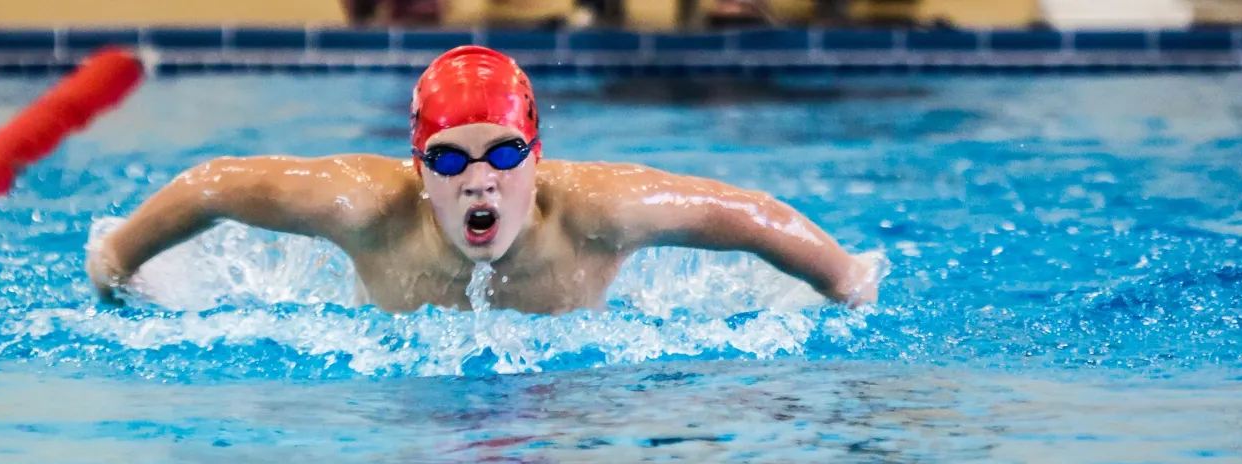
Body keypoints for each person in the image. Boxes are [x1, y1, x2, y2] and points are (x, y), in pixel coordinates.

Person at [86, 46, 878, 315]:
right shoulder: (362, 206)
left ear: (536, 158)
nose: (479, 183)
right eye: (449, 160)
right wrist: (117, 260)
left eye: (502, 156)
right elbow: (216, 183)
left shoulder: (601, 212)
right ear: (416, 167)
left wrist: (846, 280)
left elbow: (747, 214)